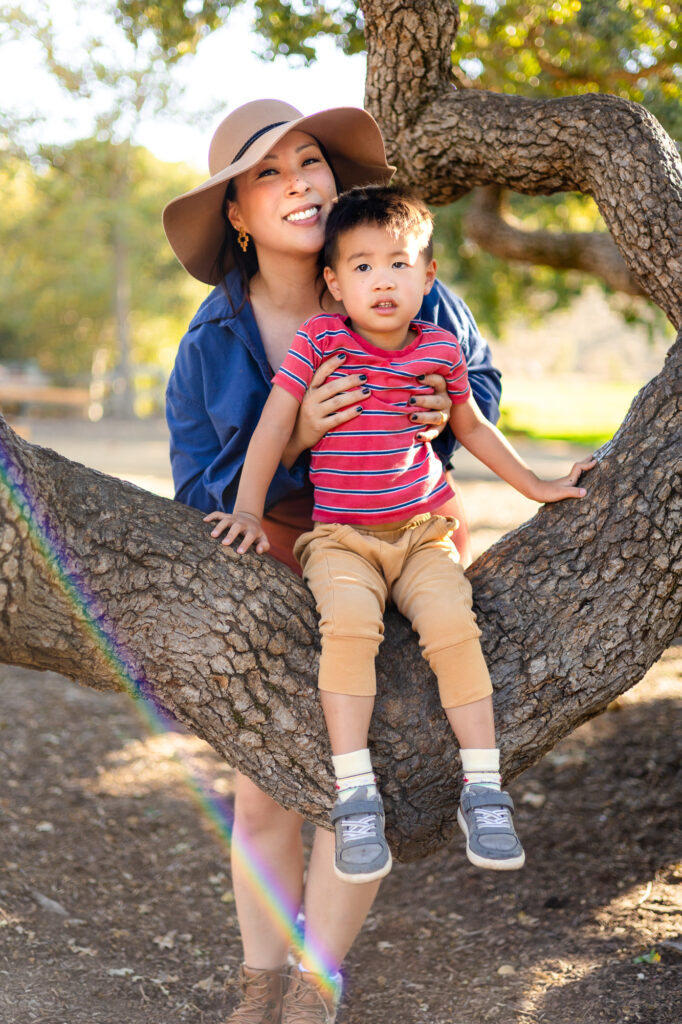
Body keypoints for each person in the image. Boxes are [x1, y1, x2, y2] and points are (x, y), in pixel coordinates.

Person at [164, 99, 503, 1024]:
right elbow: (199, 487)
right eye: (265, 174)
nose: (298, 183)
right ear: (236, 213)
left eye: (307, 161)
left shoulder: (391, 273)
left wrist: (443, 412)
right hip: (282, 554)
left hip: (404, 537)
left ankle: (320, 983)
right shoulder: (210, 342)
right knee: (271, 784)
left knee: (367, 770)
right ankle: (258, 985)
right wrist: (302, 437)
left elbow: (480, 384)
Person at [208, 182, 597, 890]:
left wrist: (539, 487)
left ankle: (485, 788)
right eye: (360, 266)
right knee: (349, 628)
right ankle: (355, 791)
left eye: (397, 263)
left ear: (428, 274)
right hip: (342, 540)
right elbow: (272, 426)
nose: (380, 280)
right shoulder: (321, 339)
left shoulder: (440, 349)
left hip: (422, 533)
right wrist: (245, 508)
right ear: (333, 281)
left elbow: (474, 427)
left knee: (454, 624)